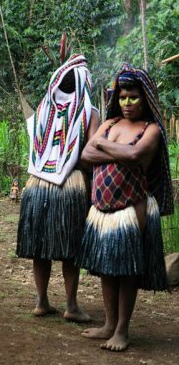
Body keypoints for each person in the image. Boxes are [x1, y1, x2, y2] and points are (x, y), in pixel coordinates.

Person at [77, 63, 174, 350]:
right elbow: (85, 153)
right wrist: (116, 151)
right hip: (102, 208)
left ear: (145, 98)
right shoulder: (109, 124)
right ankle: (108, 323)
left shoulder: (152, 129)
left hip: (131, 208)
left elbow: (134, 154)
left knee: (126, 269)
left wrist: (104, 147)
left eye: (133, 97)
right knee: (108, 267)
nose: (127, 103)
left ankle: (122, 330)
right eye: (122, 97)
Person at [16, 53, 100, 322]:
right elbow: (93, 150)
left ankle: (41, 301)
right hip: (71, 184)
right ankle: (71, 305)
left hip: (36, 185)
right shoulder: (89, 112)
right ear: (84, 83)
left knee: (39, 244)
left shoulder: (43, 109)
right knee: (69, 248)